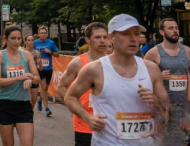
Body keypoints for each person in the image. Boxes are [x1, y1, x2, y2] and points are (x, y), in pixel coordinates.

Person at [65, 14, 169, 145]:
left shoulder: (151, 68)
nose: (133, 39)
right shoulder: (95, 69)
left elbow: (167, 111)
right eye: (126, 34)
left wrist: (156, 103)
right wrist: (88, 118)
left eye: (136, 34)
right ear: (111, 38)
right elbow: (70, 97)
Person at [58, 22, 109, 146]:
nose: (102, 41)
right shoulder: (78, 62)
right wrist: (78, 107)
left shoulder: (113, 62)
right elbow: (61, 87)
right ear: (88, 39)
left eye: (105, 37)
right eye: (97, 37)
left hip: (109, 123)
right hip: (85, 124)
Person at [144, 18, 190, 146]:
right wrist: (157, 76)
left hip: (183, 105)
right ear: (162, 32)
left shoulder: (187, 51)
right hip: (163, 107)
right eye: (170, 28)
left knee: (181, 141)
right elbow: (142, 78)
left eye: (176, 28)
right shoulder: (153, 53)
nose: (175, 31)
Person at [0, 26, 40, 146]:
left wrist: (30, 78)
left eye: (19, 38)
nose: (16, 41)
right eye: (13, 38)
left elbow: (37, 77)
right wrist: (18, 78)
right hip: (4, 104)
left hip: (23, 104)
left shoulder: (27, 55)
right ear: (5, 38)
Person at [34, 26, 59, 117]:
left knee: (45, 88)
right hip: (39, 68)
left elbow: (57, 55)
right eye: (42, 33)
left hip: (49, 68)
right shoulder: (35, 43)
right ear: (39, 34)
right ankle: (47, 109)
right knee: (43, 86)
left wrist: (50, 52)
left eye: (45, 33)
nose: (43, 34)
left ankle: (40, 100)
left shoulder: (51, 43)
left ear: (47, 34)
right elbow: (29, 52)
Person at [22, 35, 42, 108]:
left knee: (33, 100)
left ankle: (30, 114)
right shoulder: (21, 52)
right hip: (25, 79)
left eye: (32, 40)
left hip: (34, 79)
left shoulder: (37, 53)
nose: (31, 42)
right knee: (29, 100)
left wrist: (39, 64)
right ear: (25, 41)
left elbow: (41, 69)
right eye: (29, 40)